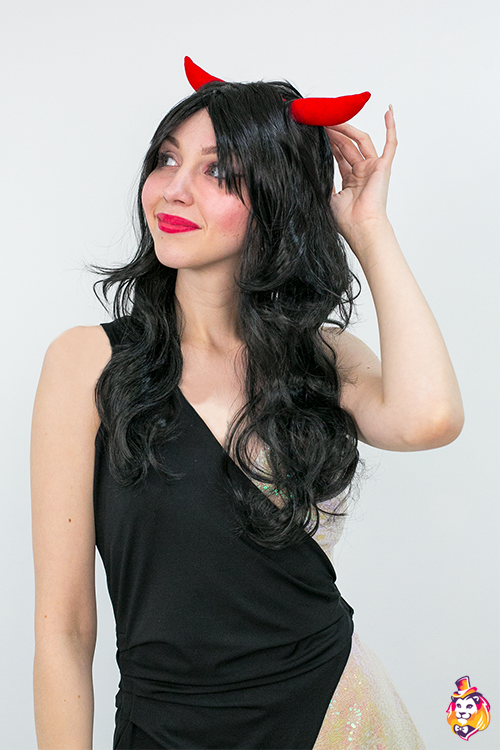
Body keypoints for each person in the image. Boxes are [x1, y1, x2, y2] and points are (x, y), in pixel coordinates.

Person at [31, 57, 464, 750]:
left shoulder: (322, 355)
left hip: (334, 717)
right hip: (163, 727)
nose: (173, 190)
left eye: (218, 172)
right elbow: (64, 628)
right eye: (166, 159)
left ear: (275, 196)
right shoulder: (88, 362)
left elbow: (430, 418)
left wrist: (367, 225)